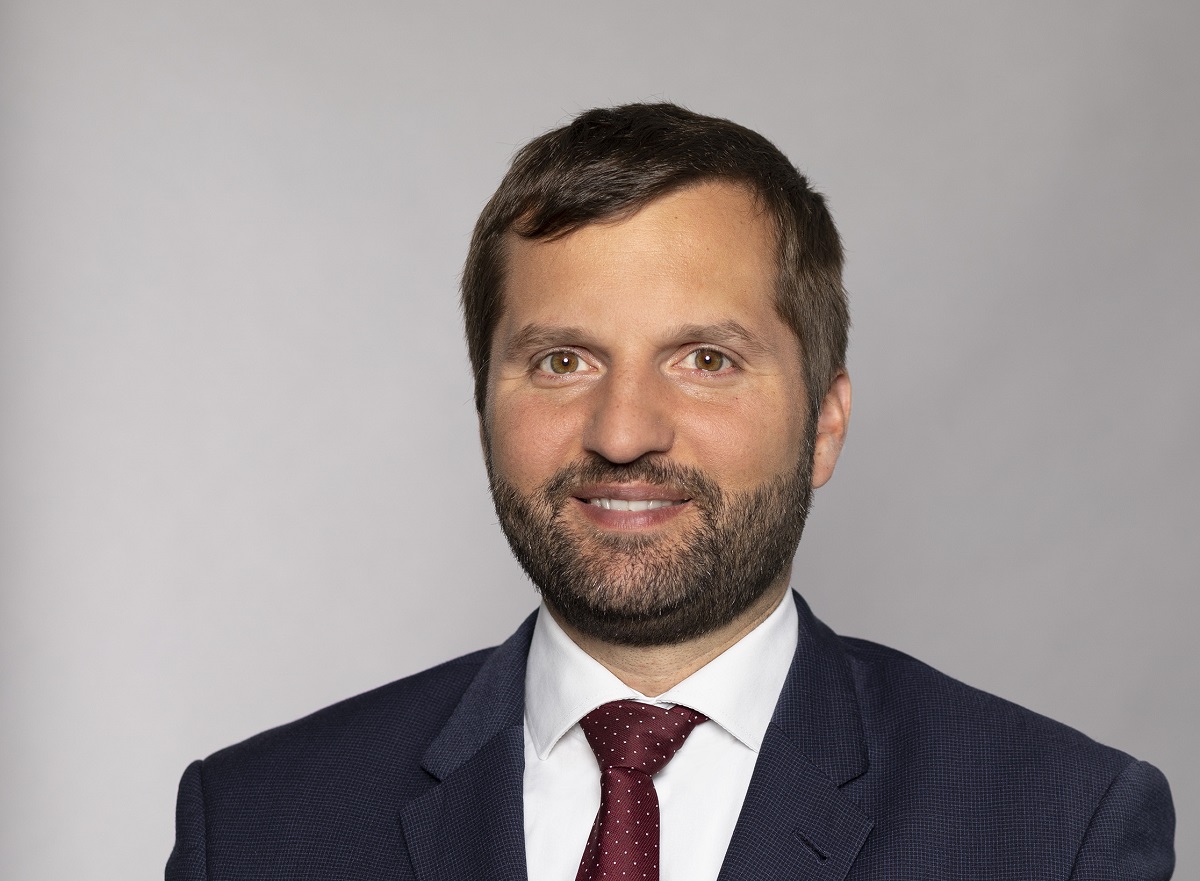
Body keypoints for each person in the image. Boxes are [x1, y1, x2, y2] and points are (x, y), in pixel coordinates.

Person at [166, 103, 1175, 881]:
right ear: (483, 407)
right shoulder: (256, 826)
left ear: (824, 423)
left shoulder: (1059, 830)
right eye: (562, 360)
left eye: (705, 359)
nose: (623, 432)